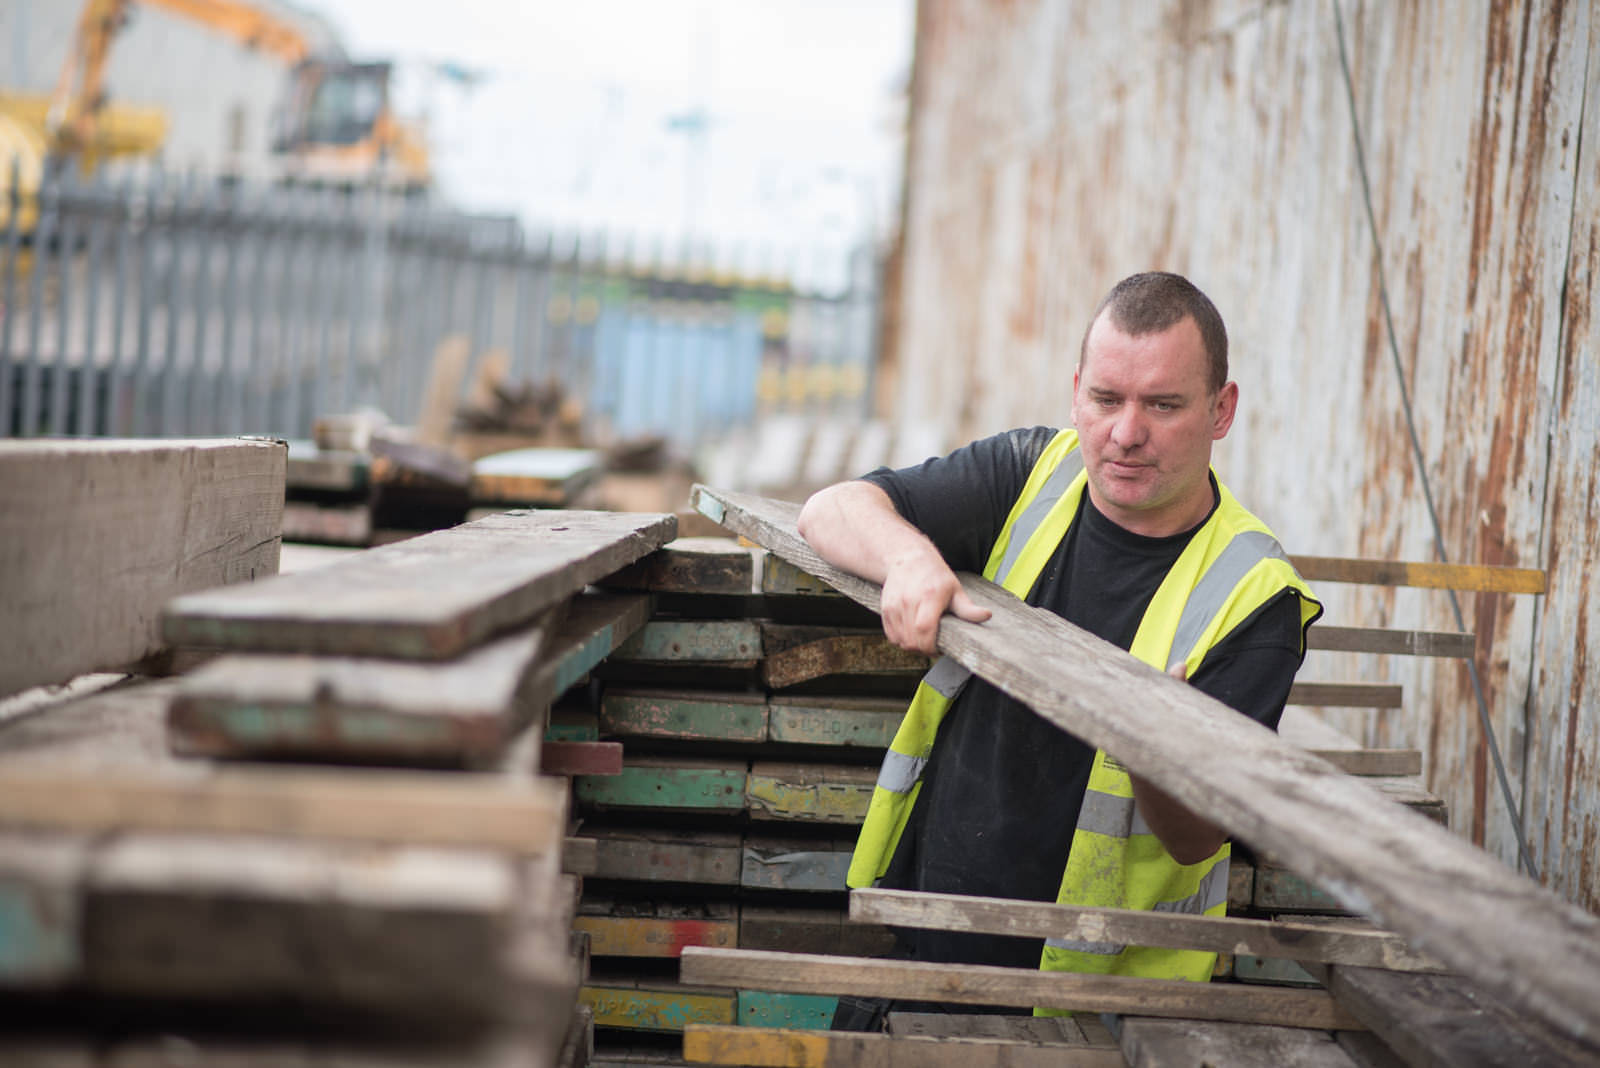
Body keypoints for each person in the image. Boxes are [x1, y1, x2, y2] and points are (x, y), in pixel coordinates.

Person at [797, 271, 1322, 1023]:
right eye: (1106, 400)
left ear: (1221, 410)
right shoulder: (1032, 475)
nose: (1125, 432)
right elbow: (834, 508)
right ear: (1077, 391)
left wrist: (1154, 749)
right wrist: (910, 560)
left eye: (1163, 405)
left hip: (1091, 1008)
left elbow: (1198, 837)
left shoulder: (1254, 593)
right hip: (917, 944)